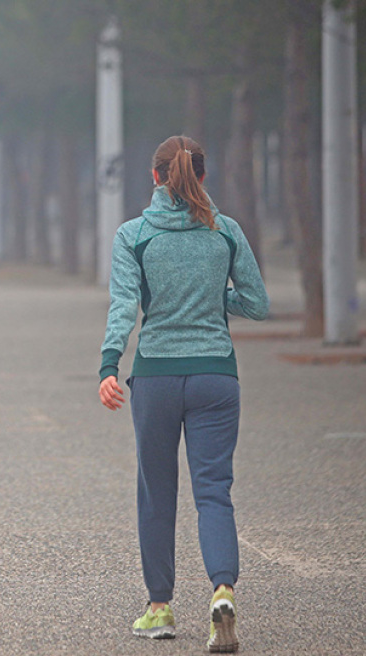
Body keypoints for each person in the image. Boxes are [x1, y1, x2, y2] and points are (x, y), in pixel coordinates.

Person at [99, 136, 268, 653]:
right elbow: (257, 303)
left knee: (157, 491)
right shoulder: (225, 231)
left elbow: (124, 306)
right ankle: (222, 592)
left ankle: (159, 609)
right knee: (214, 490)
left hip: (155, 379)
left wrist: (109, 365)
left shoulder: (134, 235)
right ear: (202, 175)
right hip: (217, 376)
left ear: (155, 177)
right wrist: (214, 296)